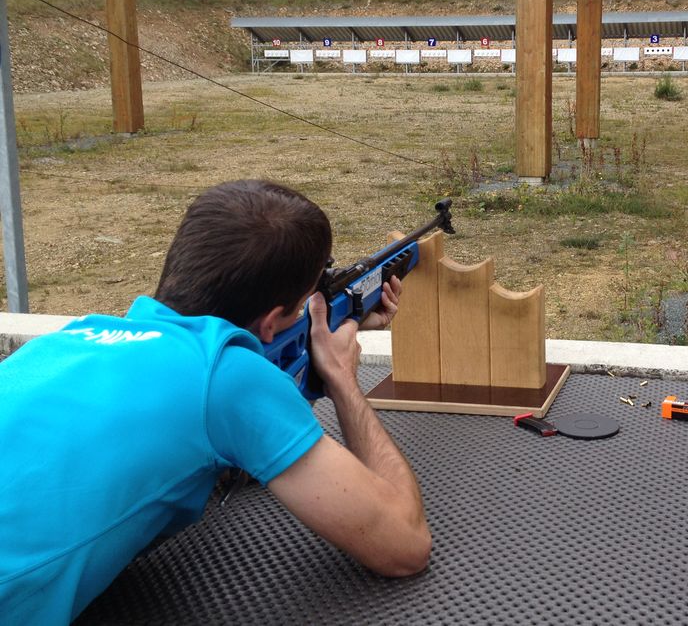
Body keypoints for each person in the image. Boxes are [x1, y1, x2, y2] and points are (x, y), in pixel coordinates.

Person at [0, 179, 431, 625]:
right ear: (271, 324)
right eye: (307, 303)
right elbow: (404, 544)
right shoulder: (227, 375)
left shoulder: (59, 343)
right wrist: (341, 378)